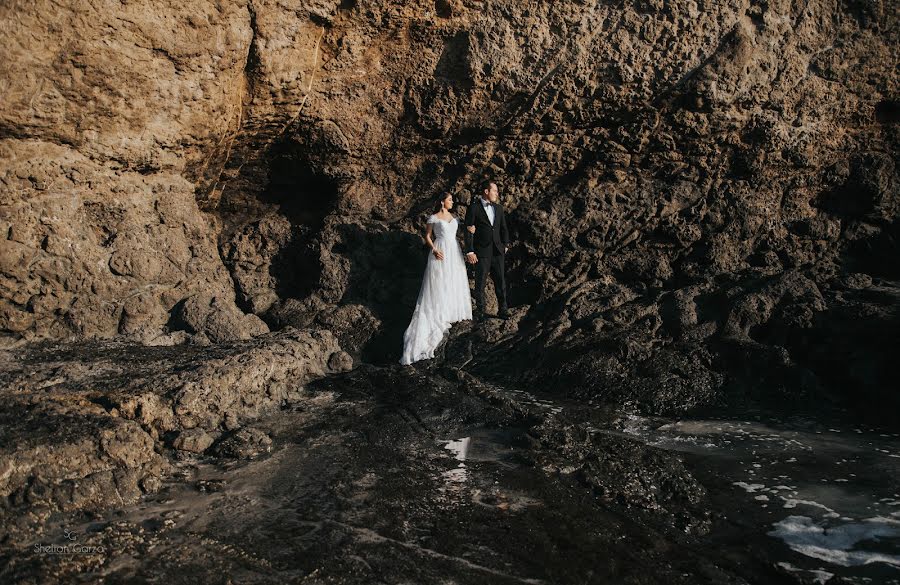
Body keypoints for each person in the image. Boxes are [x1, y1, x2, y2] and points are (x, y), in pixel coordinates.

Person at [400, 193, 473, 365]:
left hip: (454, 251)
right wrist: (433, 249)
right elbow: (427, 236)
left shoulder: (454, 217)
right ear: (442, 201)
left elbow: (464, 230)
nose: (452, 202)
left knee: (453, 280)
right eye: (450, 200)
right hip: (440, 250)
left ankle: (452, 310)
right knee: (439, 283)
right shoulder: (433, 217)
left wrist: (471, 230)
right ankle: (440, 313)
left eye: (452, 200)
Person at [464, 180, 510, 321]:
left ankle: (503, 310)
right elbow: (468, 229)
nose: (497, 193)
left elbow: (503, 227)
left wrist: (506, 244)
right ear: (486, 191)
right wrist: (470, 251)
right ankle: (481, 311)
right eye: (494, 190)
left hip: (498, 250)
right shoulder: (474, 208)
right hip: (481, 251)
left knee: (500, 282)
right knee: (480, 283)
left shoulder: (499, 208)